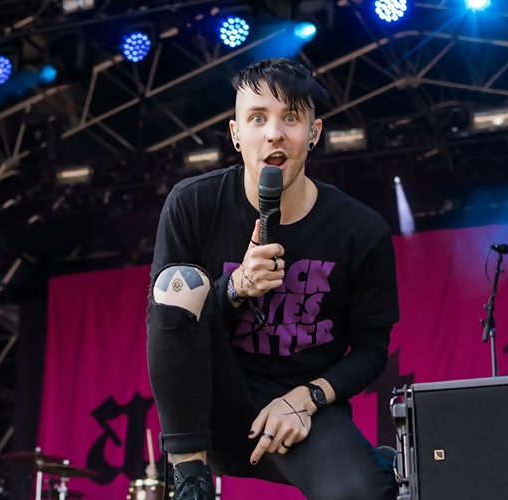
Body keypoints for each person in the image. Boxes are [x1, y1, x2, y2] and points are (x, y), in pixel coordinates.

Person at [146, 57, 400, 500]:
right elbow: (168, 320)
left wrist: (308, 397)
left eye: (291, 118)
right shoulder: (193, 204)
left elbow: (371, 350)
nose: (274, 133)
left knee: (366, 491)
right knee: (177, 283)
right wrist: (235, 287)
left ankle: (365, 464)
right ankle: (190, 483)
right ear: (235, 134)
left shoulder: (360, 230)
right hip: (209, 402)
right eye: (258, 118)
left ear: (314, 133)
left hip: (296, 409)